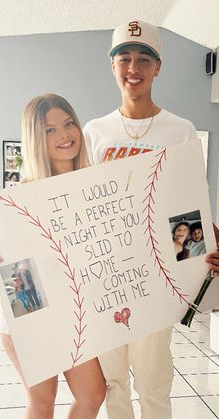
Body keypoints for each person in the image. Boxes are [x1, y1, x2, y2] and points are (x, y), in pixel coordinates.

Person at [83, 19, 219, 419]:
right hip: (106, 277)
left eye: (144, 58)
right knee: (112, 383)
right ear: (112, 66)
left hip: (155, 279)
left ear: (158, 67)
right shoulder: (95, 132)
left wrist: (206, 253)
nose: (133, 67)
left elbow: (190, 205)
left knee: (154, 382)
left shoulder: (180, 130)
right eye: (124, 58)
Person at [0, 94, 106, 419]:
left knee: (93, 394)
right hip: (29, 314)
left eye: (68, 124)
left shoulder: (94, 188)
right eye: (49, 130)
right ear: (36, 138)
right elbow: (0, 258)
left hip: (73, 311)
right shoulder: (18, 197)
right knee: (42, 402)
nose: (64, 135)